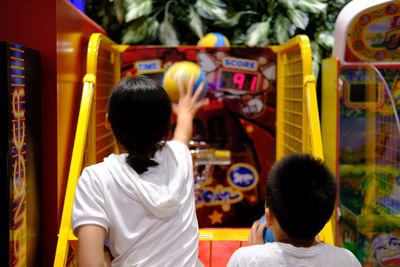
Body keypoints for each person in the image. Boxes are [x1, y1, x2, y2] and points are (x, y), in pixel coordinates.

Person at [72, 75, 208, 266]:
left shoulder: (95, 179)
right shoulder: (180, 157)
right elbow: (182, 136)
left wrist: (105, 257)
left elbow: (90, 264)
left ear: (108, 121)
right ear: (164, 129)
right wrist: (185, 113)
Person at [227, 153, 362, 267]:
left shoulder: (245, 260)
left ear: (268, 216)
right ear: (329, 217)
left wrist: (255, 253)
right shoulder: (346, 261)